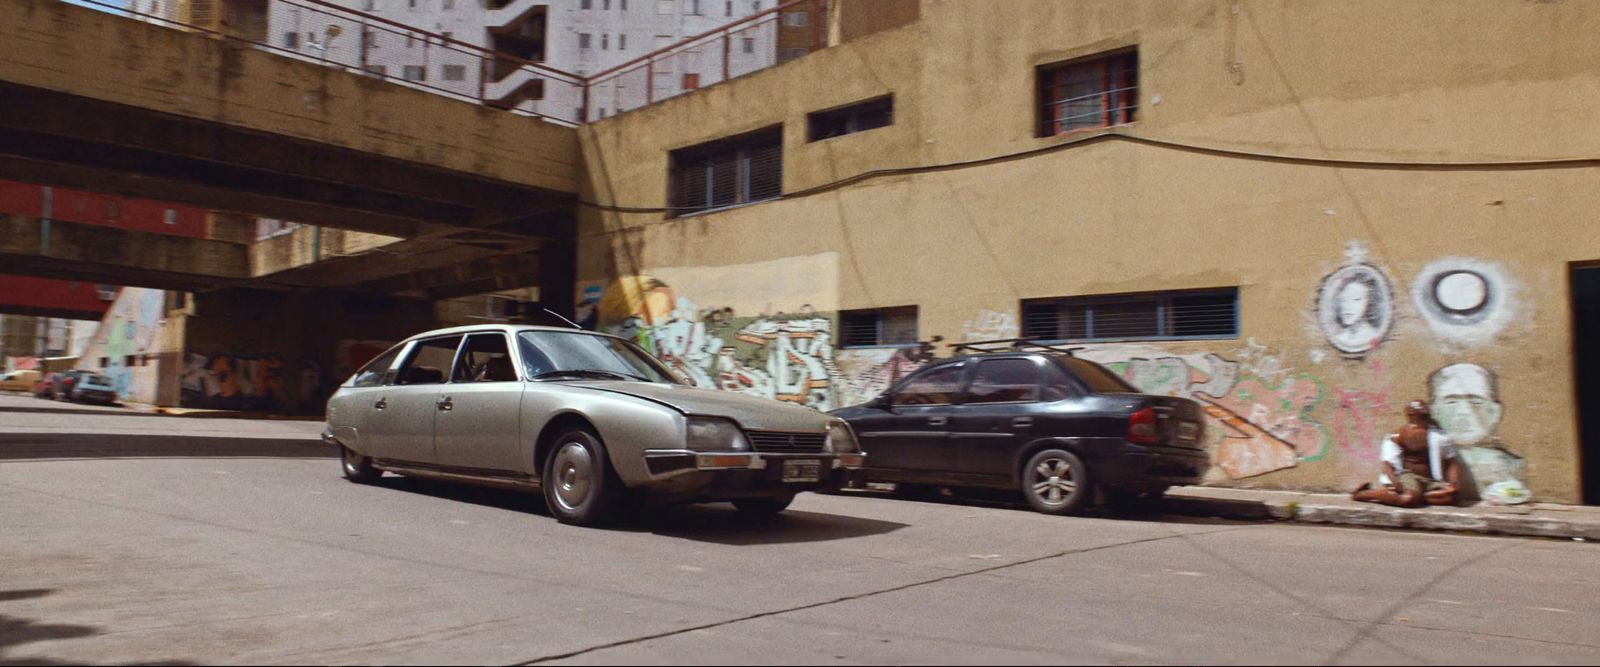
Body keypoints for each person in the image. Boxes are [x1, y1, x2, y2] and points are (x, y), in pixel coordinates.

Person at [1352, 400, 1461, 507]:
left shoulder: (1439, 436)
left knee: (1452, 496)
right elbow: (1387, 464)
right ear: (1409, 414)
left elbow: (1451, 462)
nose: (1420, 417)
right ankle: (1363, 494)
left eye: (1424, 414)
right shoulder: (1397, 435)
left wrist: (1453, 484)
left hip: (1431, 481)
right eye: (1416, 414)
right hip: (1409, 477)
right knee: (1407, 499)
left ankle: (1419, 497)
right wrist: (1395, 483)